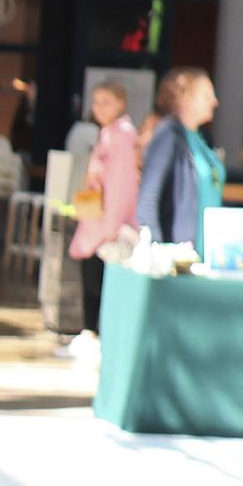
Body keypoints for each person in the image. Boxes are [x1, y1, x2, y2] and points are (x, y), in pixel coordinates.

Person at [64, 77, 140, 345]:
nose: (99, 108)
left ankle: (96, 337)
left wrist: (111, 227)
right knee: (92, 281)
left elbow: (120, 184)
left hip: (108, 226)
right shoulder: (109, 133)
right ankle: (92, 335)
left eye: (107, 102)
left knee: (99, 284)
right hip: (99, 221)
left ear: (121, 103)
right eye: (96, 102)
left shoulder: (121, 135)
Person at [135, 65, 223, 256]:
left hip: (204, 252)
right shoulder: (169, 135)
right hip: (180, 253)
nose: (215, 101)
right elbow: (149, 196)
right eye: (207, 95)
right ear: (185, 98)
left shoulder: (201, 138)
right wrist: (156, 247)